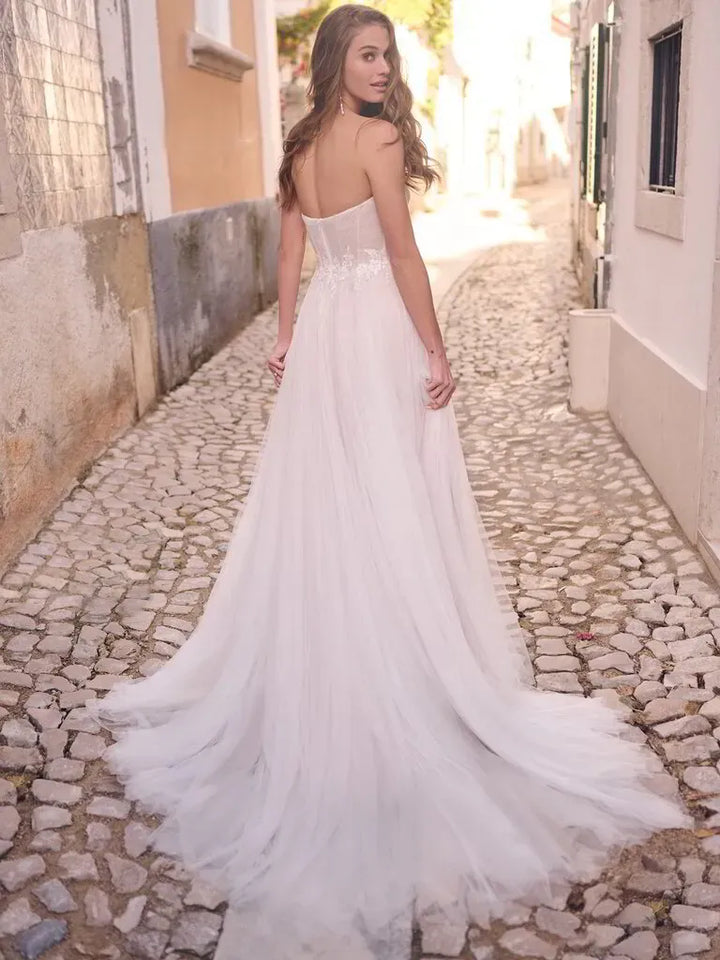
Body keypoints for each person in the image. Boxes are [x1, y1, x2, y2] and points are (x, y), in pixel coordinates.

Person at [89, 3, 691, 953]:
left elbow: (289, 257)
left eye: (389, 54)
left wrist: (287, 338)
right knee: (392, 500)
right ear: (337, 58)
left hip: (328, 334)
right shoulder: (374, 141)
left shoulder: (295, 153)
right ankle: (403, 676)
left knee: (334, 501)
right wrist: (437, 349)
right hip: (374, 339)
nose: (382, 67)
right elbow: (405, 255)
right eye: (369, 53)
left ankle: (349, 658)